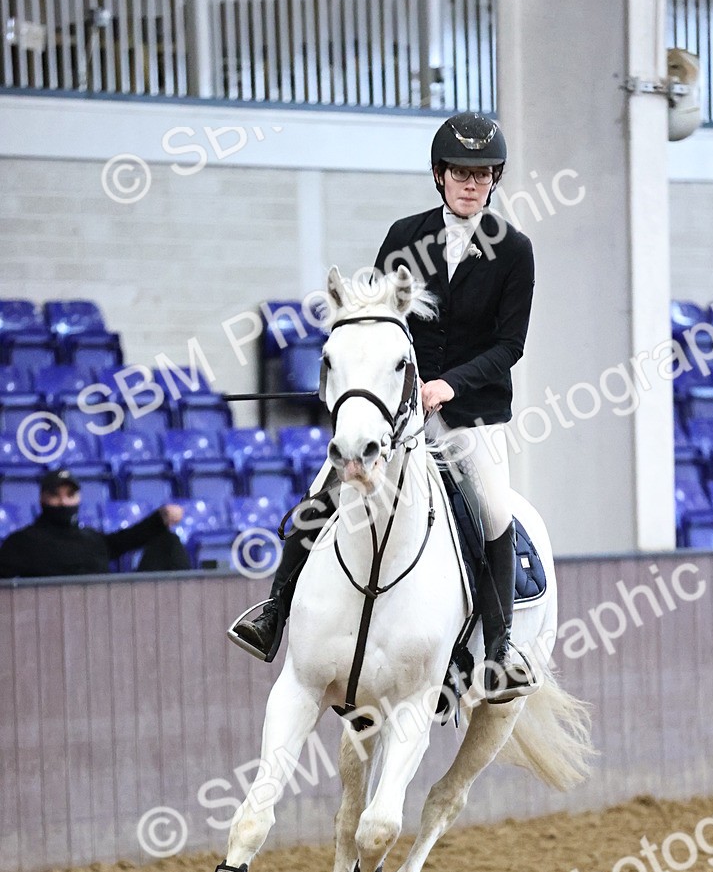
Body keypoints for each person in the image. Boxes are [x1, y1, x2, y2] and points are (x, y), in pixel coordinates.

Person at [234, 112, 536, 701]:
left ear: (494, 180)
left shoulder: (514, 250)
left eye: (482, 174)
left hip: (470, 413)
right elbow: (374, 318)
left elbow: (509, 345)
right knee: (323, 492)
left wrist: (448, 385)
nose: (471, 183)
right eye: (460, 173)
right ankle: (273, 612)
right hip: (399, 409)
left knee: (493, 511)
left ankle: (498, 651)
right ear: (440, 175)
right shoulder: (405, 236)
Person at [0, 468, 189, 579]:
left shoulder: (92, 540)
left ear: (79, 499)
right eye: (55, 495)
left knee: (168, 541)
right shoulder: (21, 543)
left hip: (107, 616)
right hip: (49, 622)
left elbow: (128, 538)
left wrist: (160, 518)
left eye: (70, 495)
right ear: (42, 499)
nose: (63, 502)